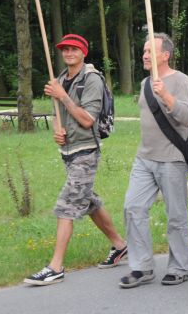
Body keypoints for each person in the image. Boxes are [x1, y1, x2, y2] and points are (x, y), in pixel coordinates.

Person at [24, 34, 127, 286]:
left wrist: (63, 95)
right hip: (68, 152)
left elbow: (87, 119)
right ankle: (121, 245)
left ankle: (55, 267)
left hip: (86, 150)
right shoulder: (59, 79)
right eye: (65, 49)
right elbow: (57, 115)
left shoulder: (92, 80)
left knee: (68, 204)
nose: (68, 53)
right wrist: (57, 131)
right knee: (88, 200)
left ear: (83, 52)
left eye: (73, 49)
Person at [118, 33, 188, 288]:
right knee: (133, 207)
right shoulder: (144, 83)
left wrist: (167, 97)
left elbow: (187, 117)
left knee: (176, 215)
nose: (145, 55)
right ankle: (142, 267)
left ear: (165, 55)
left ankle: (179, 267)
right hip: (144, 158)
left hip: (171, 158)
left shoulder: (180, 80)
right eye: (144, 51)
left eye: (150, 51)